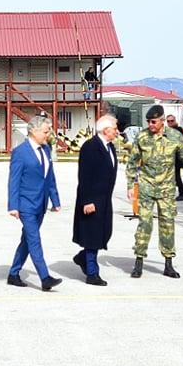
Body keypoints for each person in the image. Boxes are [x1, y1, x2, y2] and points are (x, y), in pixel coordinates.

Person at [127, 105, 183, 279]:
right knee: (144, 224)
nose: (150, 125)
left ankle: (168, 264)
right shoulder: (142, 137)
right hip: (147, 187)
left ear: (162, 121)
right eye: (148, 121)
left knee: (167, 225)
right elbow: (132, 162)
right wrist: (129, 186)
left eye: (154, 121)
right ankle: (139, 261)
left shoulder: (174, 136)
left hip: (166, 189)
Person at [6, 115, 62, 290]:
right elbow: (13, 181)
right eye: (46, 131)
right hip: (26, 205)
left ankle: (13, 274)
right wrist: (13, 206)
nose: (48, 134)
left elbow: (49, 177)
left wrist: (55, 200)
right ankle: (45, 278)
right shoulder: (20, 152)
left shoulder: (45, 150)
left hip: (41, 204)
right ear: (33, 131)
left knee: (27, 240)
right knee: (34, 239)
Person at [72, 115, 120, 286]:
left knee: (104, 233)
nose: (117, 131)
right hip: (92, 199)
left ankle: (82, 257)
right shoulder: (91, 147)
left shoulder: (110, 147)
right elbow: (84, 176)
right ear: (106, 130)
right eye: (115, 128)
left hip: (105, 199)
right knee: (92, 236)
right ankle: (92, 273)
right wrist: (87, 201)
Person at [166, 114, 183, 201]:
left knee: (177, 176)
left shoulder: (178, 129)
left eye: (172, 121)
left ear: (175, 121)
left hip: (176, 158)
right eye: (168, 121)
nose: (170, 123)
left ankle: (182, 193)